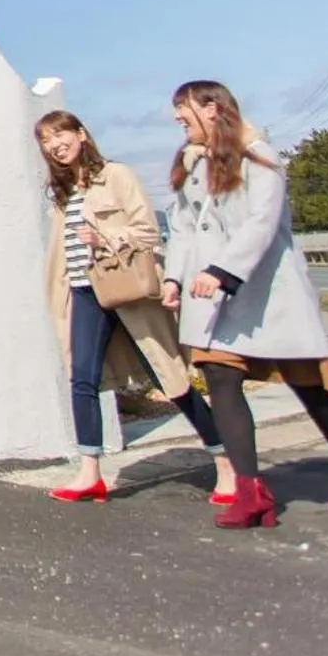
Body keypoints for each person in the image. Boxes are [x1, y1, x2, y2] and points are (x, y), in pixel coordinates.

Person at [164, 80, 328, 528]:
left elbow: (261, 223)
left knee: (312, 391)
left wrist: (223, 271)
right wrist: (173, 278)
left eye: (184, 112)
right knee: (221, 380)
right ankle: (251, 491)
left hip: (267, 295)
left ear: (212, 108)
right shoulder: (193, 167)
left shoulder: (260, 157)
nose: (177, 120)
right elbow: (184, 230)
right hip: (213, 301)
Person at [36, 111, 233, 503]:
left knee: (169, 377)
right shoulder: (60, 191)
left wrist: (104, 236)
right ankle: (89, 471)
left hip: (125, 289)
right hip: (84, 292)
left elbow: (147, 231)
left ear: (81, 133)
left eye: (60, 134)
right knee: (82, 379)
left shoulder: (117, 176)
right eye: (45, 140)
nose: (55, 145)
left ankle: (225, 462)